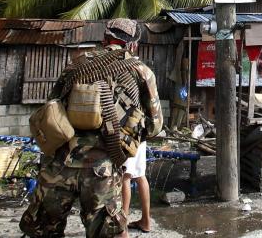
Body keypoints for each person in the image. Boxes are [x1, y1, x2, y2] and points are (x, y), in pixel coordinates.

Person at [20, 18, 163, 238]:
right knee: (107, 231)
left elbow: (51, 108)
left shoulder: (76, 65)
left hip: (58, 164)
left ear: (104, 39)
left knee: (43, 230)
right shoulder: (141, 72)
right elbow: (154, 127)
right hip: (102, 167)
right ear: (133, 45)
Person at [121, 142, 151, 233]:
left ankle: (122, 225)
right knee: (140, 175)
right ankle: (146, 221)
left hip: (127, 136)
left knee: (125, 176)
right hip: (140, 135)